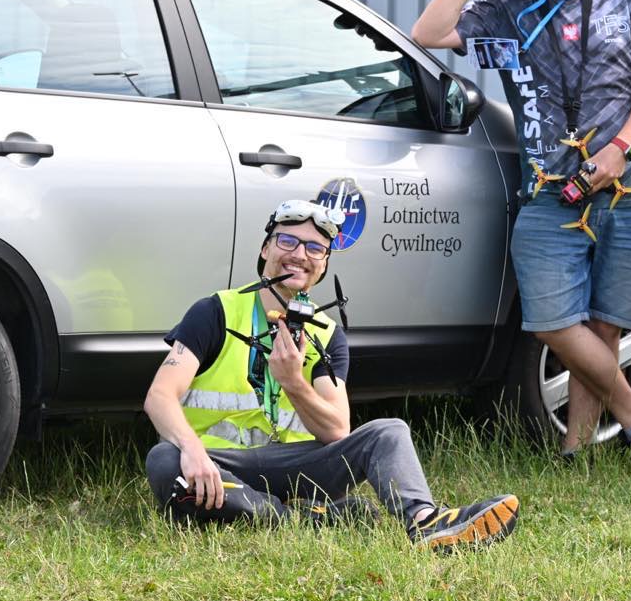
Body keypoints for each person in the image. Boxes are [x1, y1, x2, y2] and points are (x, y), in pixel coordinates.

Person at [412, 0, 631, 471]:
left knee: (605, 325)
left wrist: (618, 150)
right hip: (550, 194)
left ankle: (575, 449)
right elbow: (427, 32)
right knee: (554, 323)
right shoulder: (507, 9)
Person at [143, 199, 519, 550]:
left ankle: (426, 522)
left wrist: (293, 382)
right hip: (218, 465)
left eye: (314, 248)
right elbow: (159, 397)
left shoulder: (326, 334)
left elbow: (337, 430)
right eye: (287, 241)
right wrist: (193, 451)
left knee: (388, 432)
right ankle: (304, 518)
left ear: (323, 265)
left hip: (293, 466)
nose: (299, 255)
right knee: (164, 461)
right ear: (265, 249)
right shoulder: (217, 311)